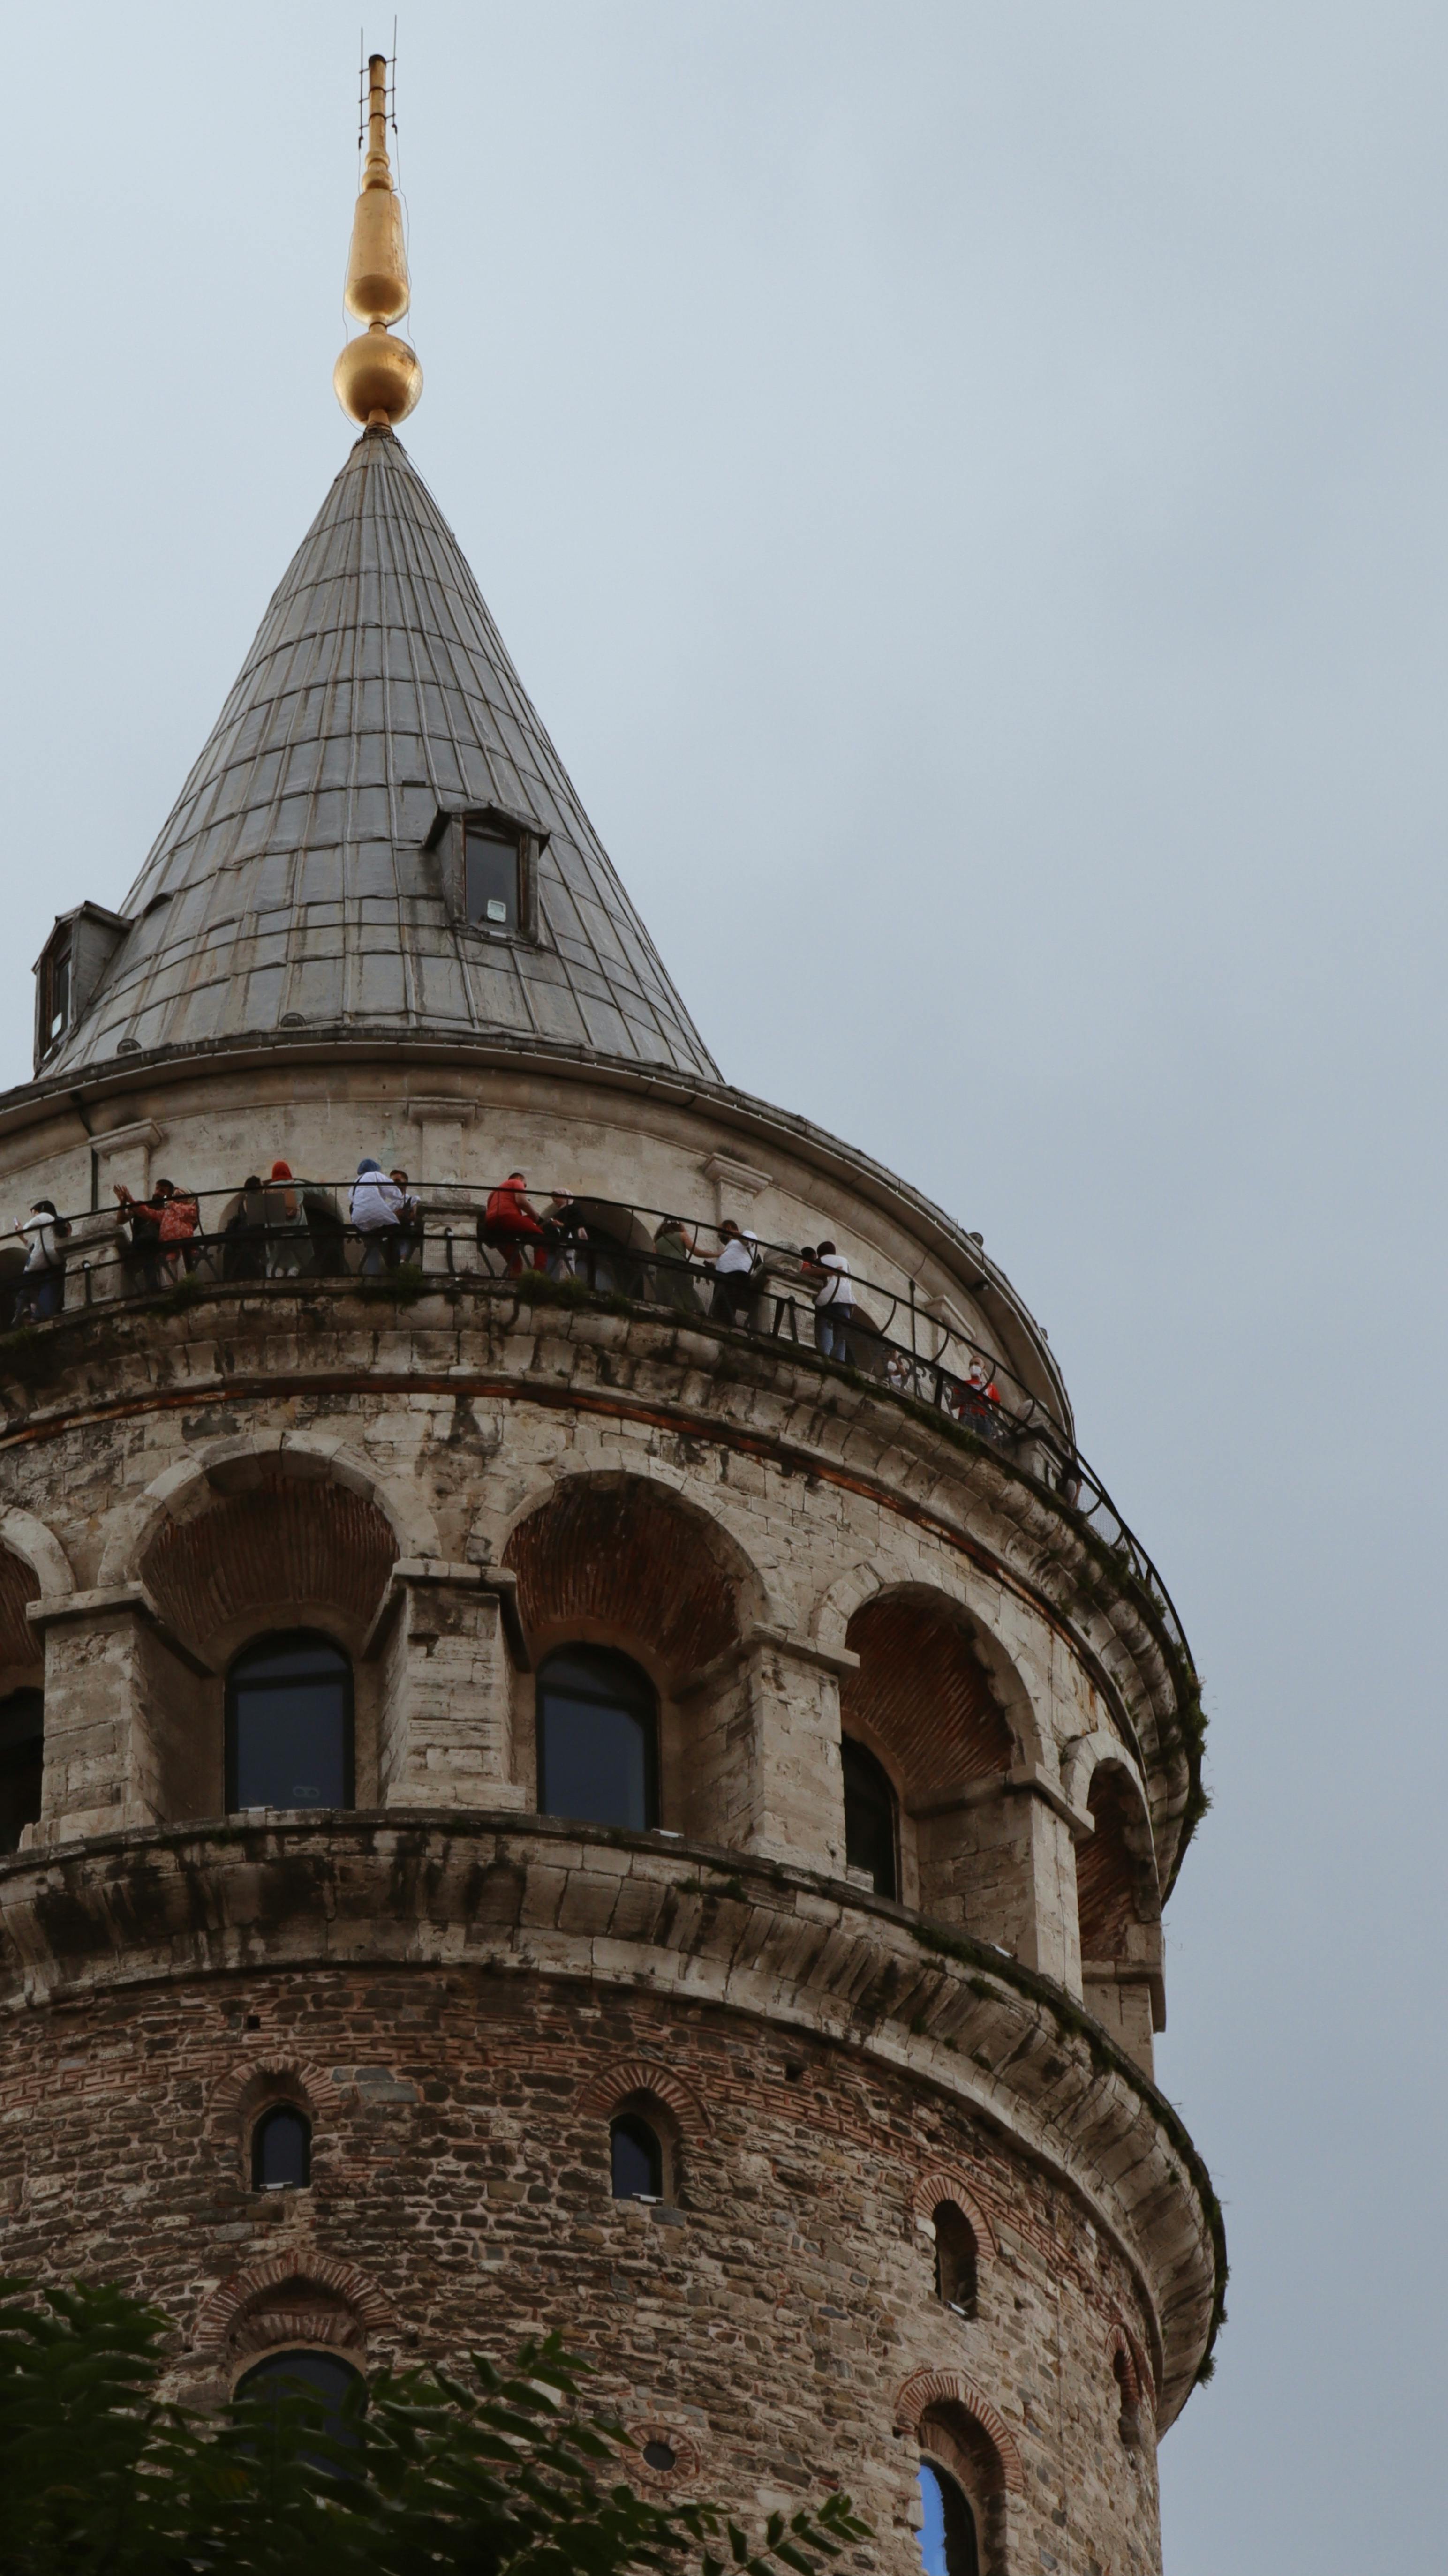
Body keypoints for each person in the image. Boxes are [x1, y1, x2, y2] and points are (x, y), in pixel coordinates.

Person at [478, 1172, 548, 1277]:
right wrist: (535, 1216)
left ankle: (514, 1282)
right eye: (525, 1186)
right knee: (542, 1240)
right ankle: (536, 1276)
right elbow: (521, 1201)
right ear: (520, 1179)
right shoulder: (516, 1182)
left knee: (516, 1264)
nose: (524, 1189)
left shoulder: (494, 1193)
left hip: (492, 1225)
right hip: (508, 1217)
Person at [11, 1200, 66, 1323]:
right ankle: (40, 1316)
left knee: (26, 1279)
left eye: (34, 1212)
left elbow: (29, 1227)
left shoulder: (44, 1216)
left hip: (41, 1260)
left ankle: (22, 1307)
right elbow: (37, 1247)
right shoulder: (57, 1223)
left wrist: (21, 1229)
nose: (34, 1215)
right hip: (56, 1259)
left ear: (40, 1209)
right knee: (51, 1287)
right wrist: (23, 1240)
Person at [114, 1179, 173, 1293]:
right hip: (142, 1245)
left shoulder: (167, 1211)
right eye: (157, 1188)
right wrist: (123, 1203)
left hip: (159, 1246)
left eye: (162, 1191)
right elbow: (121, 1220)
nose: (157, 1192)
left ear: (168, 1195)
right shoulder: (141, 1206)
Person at [350, 1158, 405, 1275]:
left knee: (374, 1243)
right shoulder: (375, 1175)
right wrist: (400, 1194)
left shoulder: (356, 1183)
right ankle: (395, 1265)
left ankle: (372, 1273)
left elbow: (353, 1199)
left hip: (360, 1221)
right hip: (377, 1214)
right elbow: (391, 1189)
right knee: (395, 1229)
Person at [810, 1239, 855, 1361]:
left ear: (820, 1254)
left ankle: (825, 1359)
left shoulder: (821, 1261)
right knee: (841, 1337)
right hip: (846, 1302)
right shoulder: (846, 1262)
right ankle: (840, 1362)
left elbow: (811, 1274)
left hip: (827, 1300)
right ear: (834, 1252)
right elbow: (849, 1282)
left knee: (825, 1329)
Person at [263, 1160, 308, 1278]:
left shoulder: (268, 1190)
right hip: (296, 1233)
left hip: (276, 1234)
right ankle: (293, 1271)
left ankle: (276, 1274)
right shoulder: (296, 1185)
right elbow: (319, 1191)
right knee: (296, 1257)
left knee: (275, 1257)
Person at [710, 1219, 757, 1325]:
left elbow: (750, 1241)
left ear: (728, 1228)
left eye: (720, 1232)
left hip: (738, 1276)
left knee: (729, 1304)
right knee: (719, 1309)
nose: (719, 1236)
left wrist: (738, 1236)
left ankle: (727, 1326)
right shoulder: (728, 1248)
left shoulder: (746, 1234)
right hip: (723, 1279)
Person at [653, 1215, 701, 1314]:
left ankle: (677, 1311)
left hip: (663, 1273)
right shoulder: (682, 1235)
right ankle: (697, 1311)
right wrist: (714, 1254)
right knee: (686, 1290)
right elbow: (696, 1252)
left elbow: (654, 1259)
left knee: (671, 1294)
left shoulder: (657, 1242)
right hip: (680, 1268)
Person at [223, 1178, 268, 1281]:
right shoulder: (255, 1202)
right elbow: (258, 1223)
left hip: (244, 1242)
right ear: (257, 1187)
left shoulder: (243, 1202)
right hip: (252, 1243)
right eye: (261, 1187)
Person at [157, 1182, 200, 1280]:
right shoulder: (169, 1210)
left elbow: (186, 1214)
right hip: (168, 1249)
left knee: (183, 1275)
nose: (177, 1198)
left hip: (183, 1248)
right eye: (176, 1195)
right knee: (168, 1278)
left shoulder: (191, 1208)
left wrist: (173, 1205)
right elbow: (154, 1215)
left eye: (180, 1195)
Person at [390, 1170, 423, 1268]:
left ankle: (402, 1262)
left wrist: (409, 1215)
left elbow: (417, 1215)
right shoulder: (389, 1205)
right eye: (393, 1182)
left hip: (407, 1232)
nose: (395, 1185)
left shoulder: (413, 1200)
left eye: (398, 1181)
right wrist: (395, 1215)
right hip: (393, 1236)